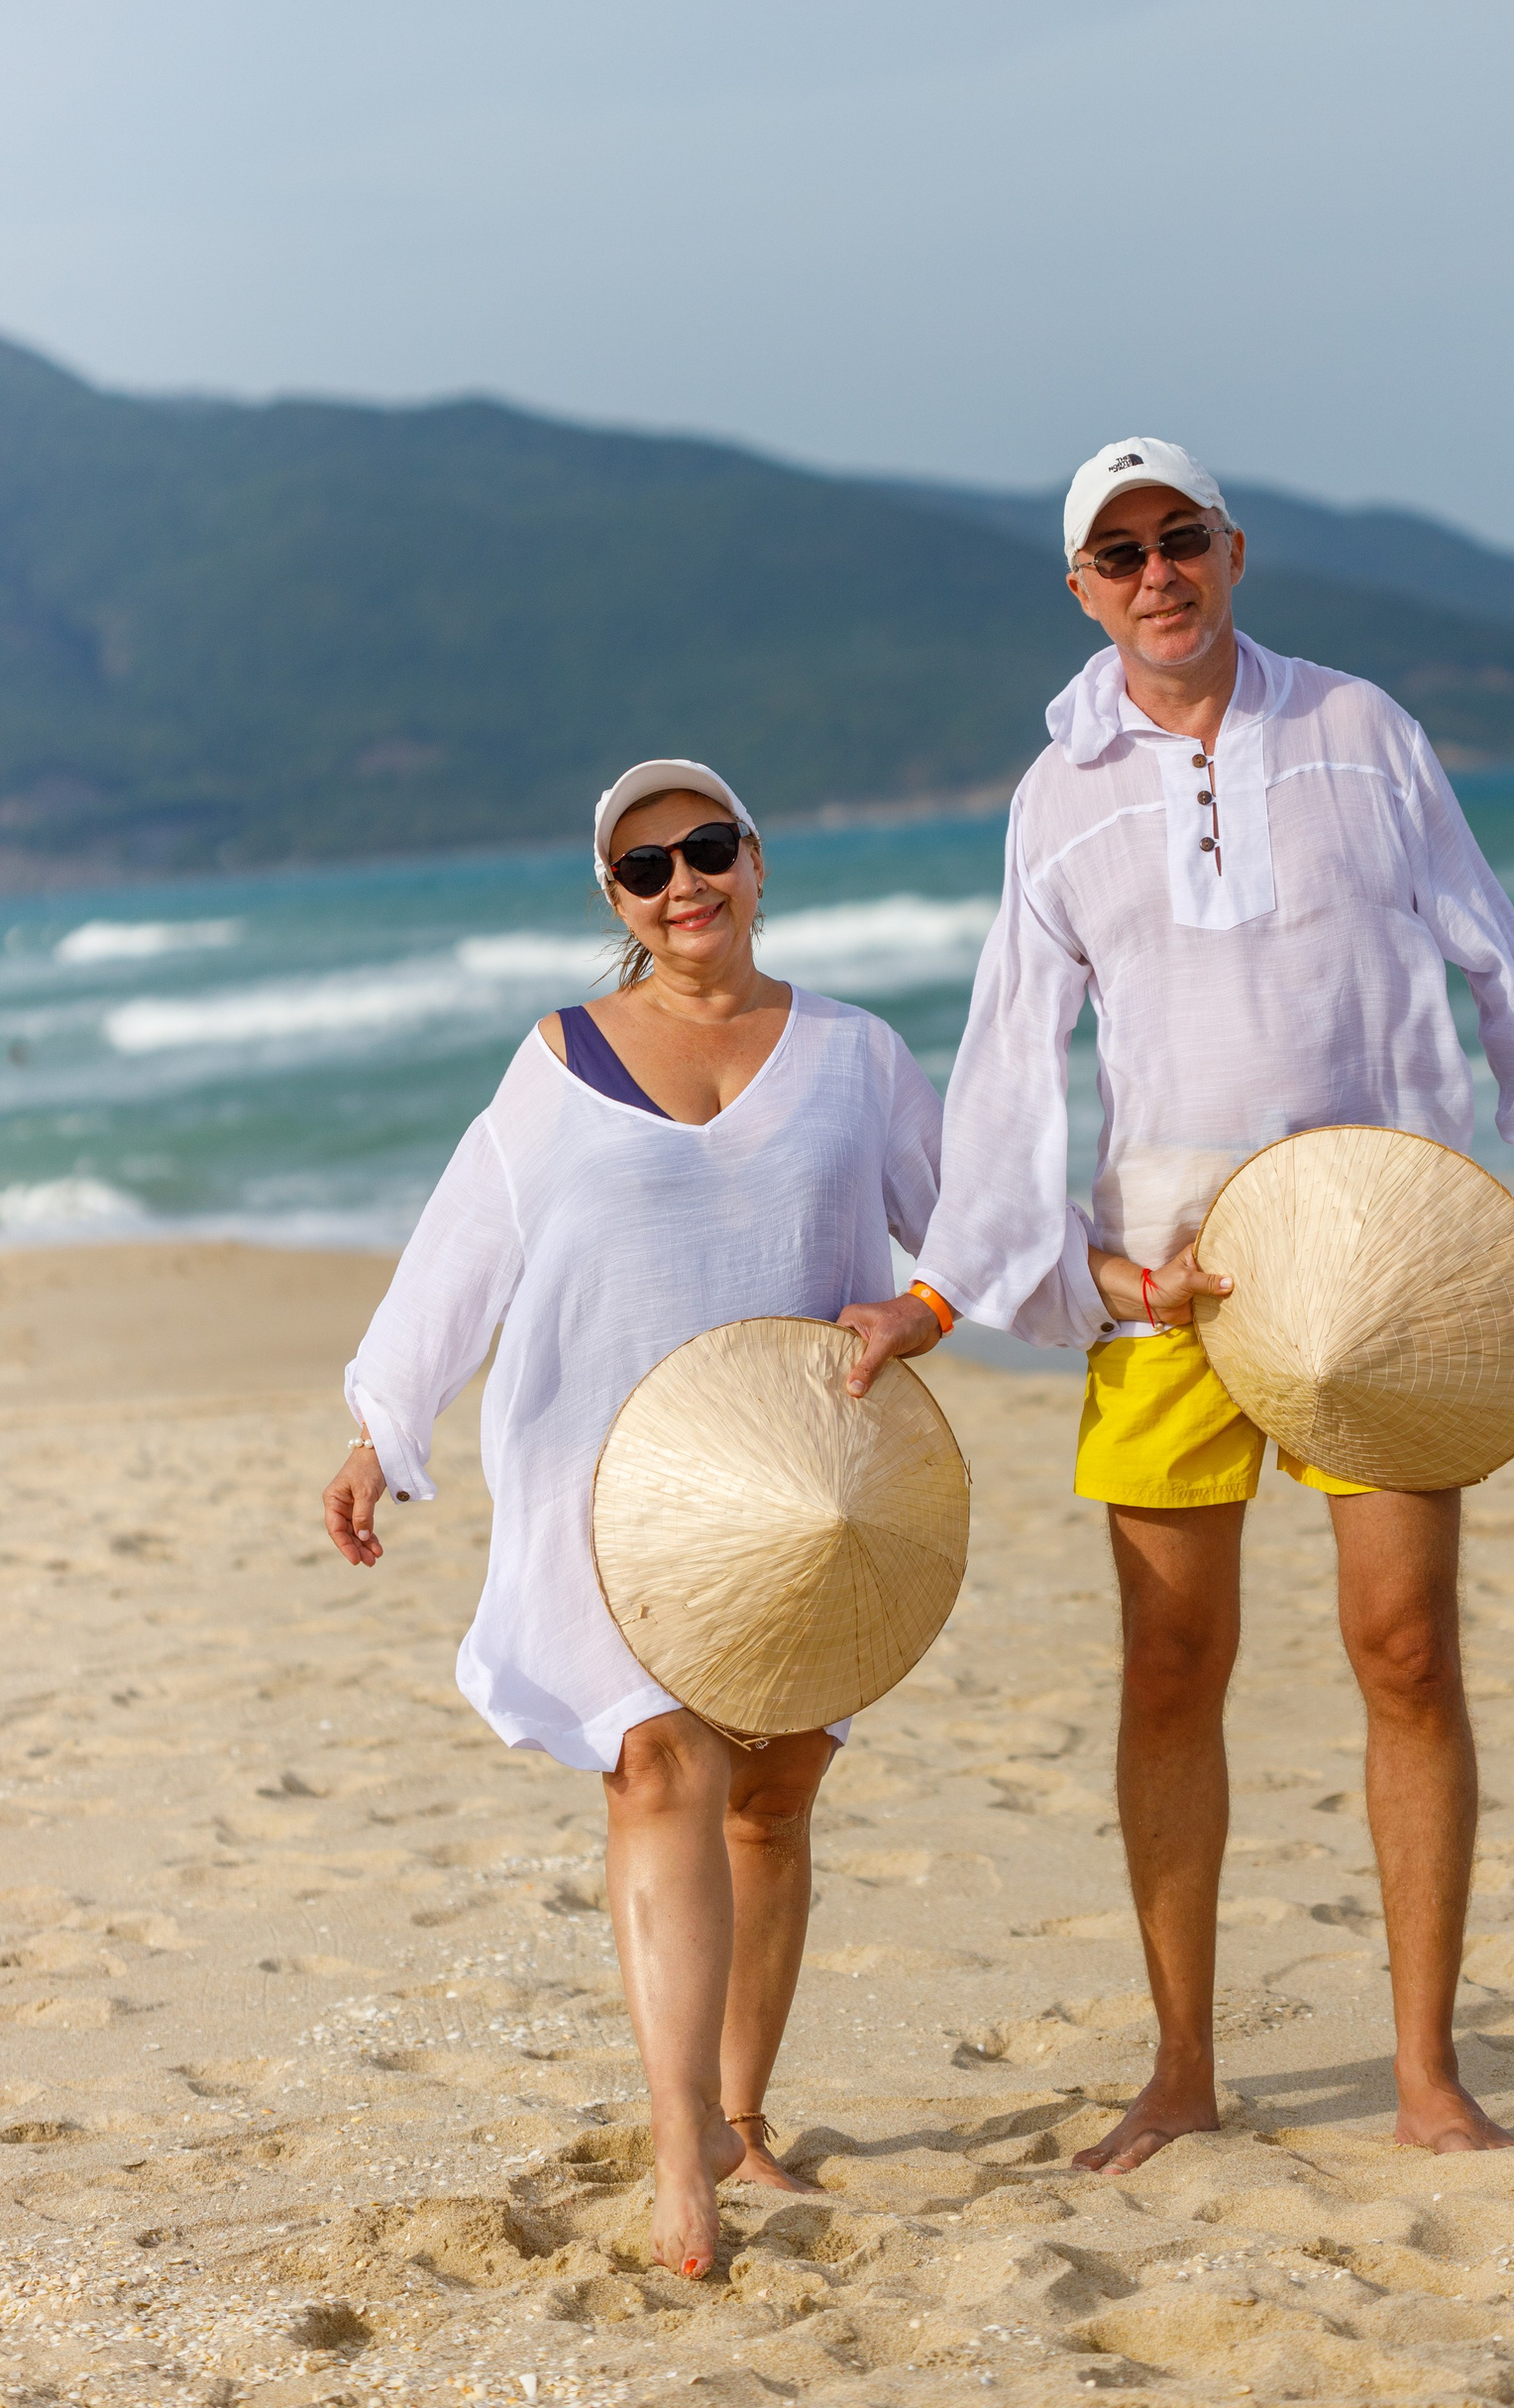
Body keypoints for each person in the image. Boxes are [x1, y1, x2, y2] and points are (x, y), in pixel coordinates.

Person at [849, 437, 1514, 2165]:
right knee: (1170, 1663)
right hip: (1176, 1289)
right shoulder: (1057, 796)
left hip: (1388, 1264)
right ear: (1081, 591)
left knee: (1406, 1648)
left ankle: (1427, 2074)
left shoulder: (1362, 728)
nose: (1156, 574)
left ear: (1233, 549)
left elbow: (1504, 963)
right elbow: (1008, 1072)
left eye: (1178, 538)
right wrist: (1002, 1282)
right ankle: (1182, 2070)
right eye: (1118, 556)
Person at [322, 759, 944, 2277]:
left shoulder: (855, 1054)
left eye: (707, 848)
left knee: (774, 1795)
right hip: (602, 1479)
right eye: (647, 868)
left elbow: (975, 1226)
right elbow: (464, 1247)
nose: (684, 885)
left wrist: (925, 1313)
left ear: (756, 860)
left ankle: (739, 2119)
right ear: (616, 899)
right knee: (659, 1764)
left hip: (797, 1490)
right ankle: (681, 2154)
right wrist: (382, 1428)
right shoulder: (562, 1057)